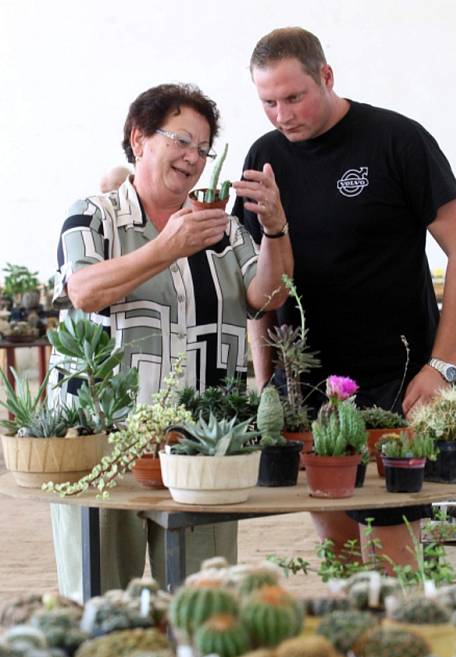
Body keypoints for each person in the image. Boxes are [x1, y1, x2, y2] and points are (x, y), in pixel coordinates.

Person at [233, 27, 456, 571]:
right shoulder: (265, 156)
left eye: (294, 97)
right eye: (268, 102)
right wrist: (264, 382)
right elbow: (258, 287)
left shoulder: (397, 140)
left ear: (326, 76)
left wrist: (441, 366)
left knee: (395, 555)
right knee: (341, 555)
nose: (282, 114)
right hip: (310, 384)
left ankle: (403, 646)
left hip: (399, 380)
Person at [50, 82, 292, 599]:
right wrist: (166, 247)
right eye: (182, 140)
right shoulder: (93, 216)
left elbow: (268, 296)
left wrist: (274, 229)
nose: (194, 158)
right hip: (100, 444)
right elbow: (85, 290)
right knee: (98, 604)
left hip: (202, 442)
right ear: (139, 139)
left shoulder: (225, 231)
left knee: (205, 606)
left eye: (203, 149)